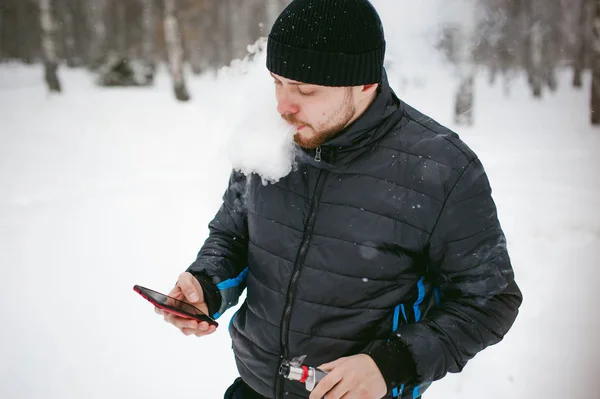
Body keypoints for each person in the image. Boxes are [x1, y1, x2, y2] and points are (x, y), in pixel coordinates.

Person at [155, 0, 523, 398]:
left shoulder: (441, 169)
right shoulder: (271, 132)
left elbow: (490, 301)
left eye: (305, 90)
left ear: (364, 83)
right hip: (254, 388)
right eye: (277, 81)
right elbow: (233, 235)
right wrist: (206, 286)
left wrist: (389, 365)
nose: (282, 106)